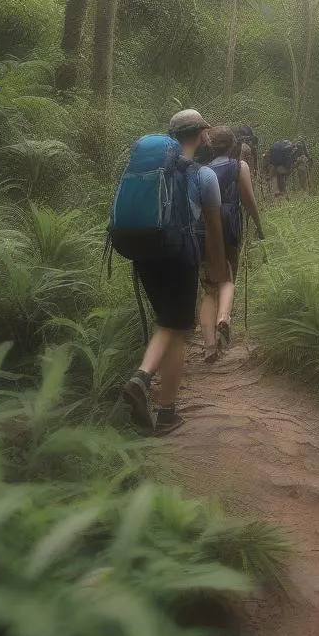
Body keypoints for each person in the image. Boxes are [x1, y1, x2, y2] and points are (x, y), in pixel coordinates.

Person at [121, 109, 226, 435]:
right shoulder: (203, 176)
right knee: (174, 328)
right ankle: (150, 390)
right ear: (200, 135)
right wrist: (218, 270)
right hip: (180, 256)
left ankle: (160, 405)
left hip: (143, 253)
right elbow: (213, 229)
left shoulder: (149, 170)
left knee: (166, 323)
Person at [198, 126, 264, 365]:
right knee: (227, 277)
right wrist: (258, 224)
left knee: (208, 288)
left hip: (204, 228)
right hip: (229, 227)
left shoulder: (202, 171)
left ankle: (208, 346)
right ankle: (224, 318)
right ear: (233, 145)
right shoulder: (239, 167)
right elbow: (248, 200)